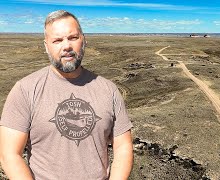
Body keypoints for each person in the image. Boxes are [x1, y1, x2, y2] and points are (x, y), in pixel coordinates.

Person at [0, 10, 133, 180]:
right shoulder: (25, 90)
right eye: (57, 40)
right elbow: (9, 155)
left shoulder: (109, 90)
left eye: (72, 38)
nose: (66, 46)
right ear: (46, 45)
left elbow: (123, 147)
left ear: (83, 40)